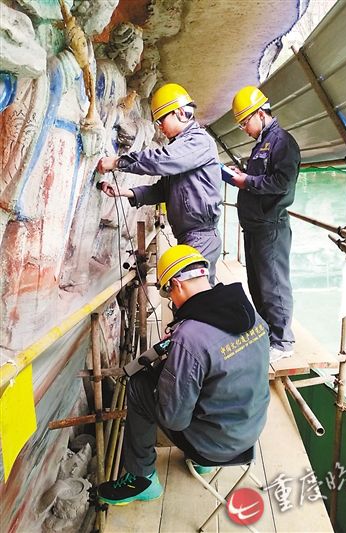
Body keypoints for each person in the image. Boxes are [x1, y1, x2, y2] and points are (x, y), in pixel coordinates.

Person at [97, 244, 270, 505]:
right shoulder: (251, 315)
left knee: (138, 384)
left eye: (169, 295)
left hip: (215, 446)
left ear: (176, 284)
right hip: (250, 429)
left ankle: (141, 478)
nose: (173, 303)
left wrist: (172, 364)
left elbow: (174, 419)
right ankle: (202, 466)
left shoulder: (189, 338)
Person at [97, 83, 222, 285]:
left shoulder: (198, 142)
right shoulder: (182, 148)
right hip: (191, 237)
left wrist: (119, 162)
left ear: (180, 112)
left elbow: (161, 160)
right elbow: (162, 190)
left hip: (200, 237)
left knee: (196, 298)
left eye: (162, 119)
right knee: (194, 297)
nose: (160, 126)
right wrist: (125, 192)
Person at [230, 86, 300, 362]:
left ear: (260, 113)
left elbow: (282, 184)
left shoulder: (283, 142)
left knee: (274, 284)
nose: (245, 128)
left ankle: (283, 341)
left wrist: (246, 181)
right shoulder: (262, 143)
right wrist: (242, 174)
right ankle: (267, 333)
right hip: (255, 226)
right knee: (257, 283)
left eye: (245, 121)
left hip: (271, 226)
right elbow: (262, 178)